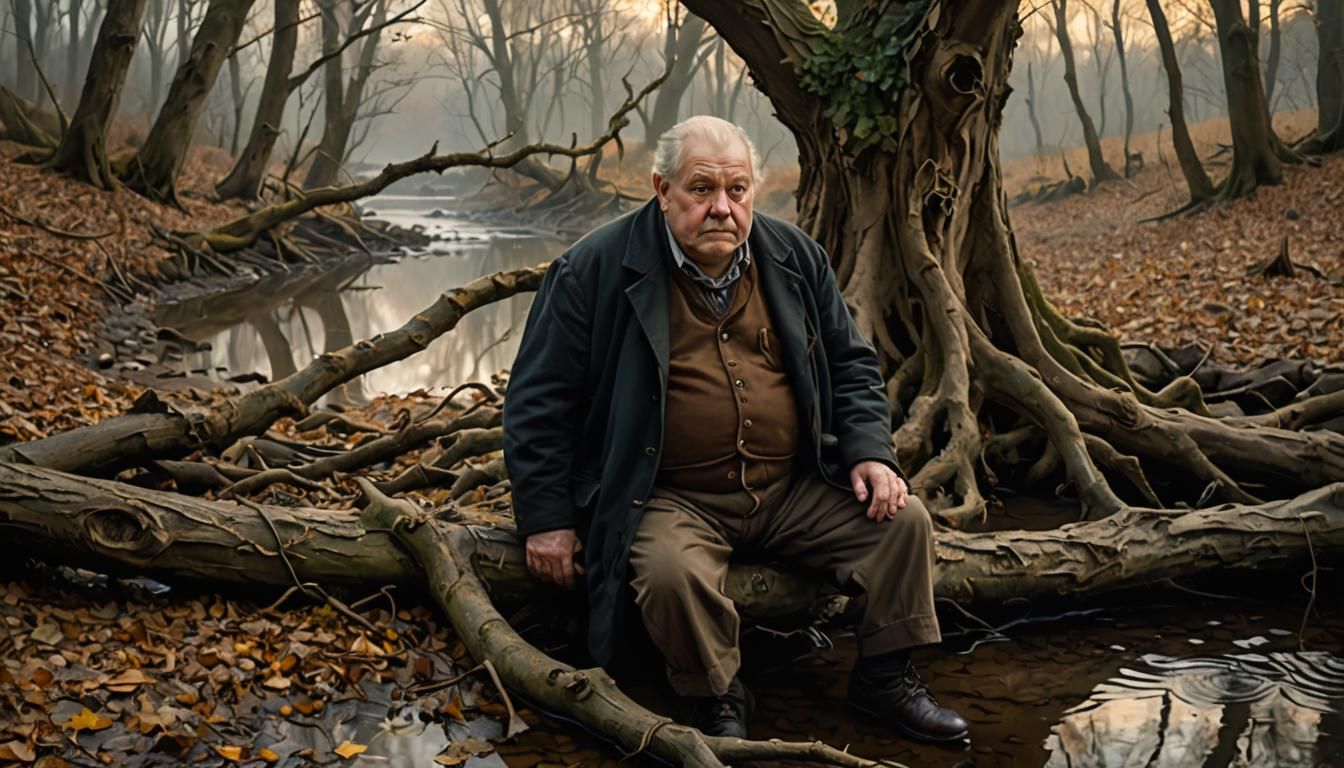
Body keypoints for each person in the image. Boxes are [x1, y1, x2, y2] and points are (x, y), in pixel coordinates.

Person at [502, 116, 968, 744]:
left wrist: (868, 453)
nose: (722, 208)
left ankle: (884, 681)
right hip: (666, 495)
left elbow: (852, 364)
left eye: (738, 190)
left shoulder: (794, 256)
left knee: (903, 523)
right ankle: (717, 695)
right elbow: (537, 400)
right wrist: (546, 519)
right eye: (701, 190)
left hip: (791, 487)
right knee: (670, 576)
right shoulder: (592, 269)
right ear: (661, 190)